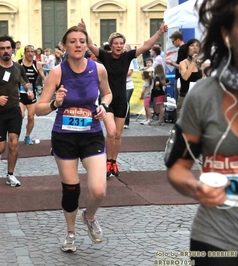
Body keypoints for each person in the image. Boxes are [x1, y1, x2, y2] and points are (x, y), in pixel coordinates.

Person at [166, 0, 238, 264]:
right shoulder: (204, 95)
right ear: (226, 33)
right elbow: (177, 168)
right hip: (216, 239)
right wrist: (197, 187)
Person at [35, 26, 112, 252]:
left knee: (98, 190)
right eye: (73, 41)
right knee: (72, 190)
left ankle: (89, 217)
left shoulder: (98, 69)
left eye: (82, 41)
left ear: (87, 45)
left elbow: (107, 93)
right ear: (64, 46)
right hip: (64, 137)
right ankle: (70, 233)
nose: (78, 45)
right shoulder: (57, 73)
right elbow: (38, 109)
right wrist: (55, 104)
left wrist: (103, 106)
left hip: (92, 135)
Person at [79, 18, 168, 177]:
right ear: (111, 45)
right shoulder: (105, 57)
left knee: (118, 135)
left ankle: (113, 162)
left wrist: (159, 32)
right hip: (107, 100)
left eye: (121, 43)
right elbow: (90, 45)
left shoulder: (127, 57)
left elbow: (147, 46)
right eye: (116, 43)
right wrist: (85, 30)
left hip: (121, 100)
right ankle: (107, 161)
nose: (119, 46)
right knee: (111, 132)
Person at [0, 34, 33, 187]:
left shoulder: (18, 67)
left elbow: (25, 83)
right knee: (1, 147)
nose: (6, 51)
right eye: (2, 49)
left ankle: (10, 175)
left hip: (15, 110)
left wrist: (29, 91)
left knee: (14, 143)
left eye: (8, 48)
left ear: (13, 49)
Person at [18, 45, 46, 145]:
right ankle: (14, 136)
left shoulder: (37, 65)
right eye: (28, 52)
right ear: (24, 53)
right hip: (20, 95)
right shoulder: (19, 63)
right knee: (20, 115)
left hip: (32, 95)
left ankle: (27, 136)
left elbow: (43, 77)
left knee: (31, 117)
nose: (30, 54)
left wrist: (47, 86)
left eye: (32, 52)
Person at [177, 38, 203, 118]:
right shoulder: (183, 63)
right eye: (192, 45)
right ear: (188, 48)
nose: (195, 48)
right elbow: (185, 77)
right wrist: (193, 62)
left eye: (197, 46)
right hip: (185, 97)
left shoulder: (201, 63)